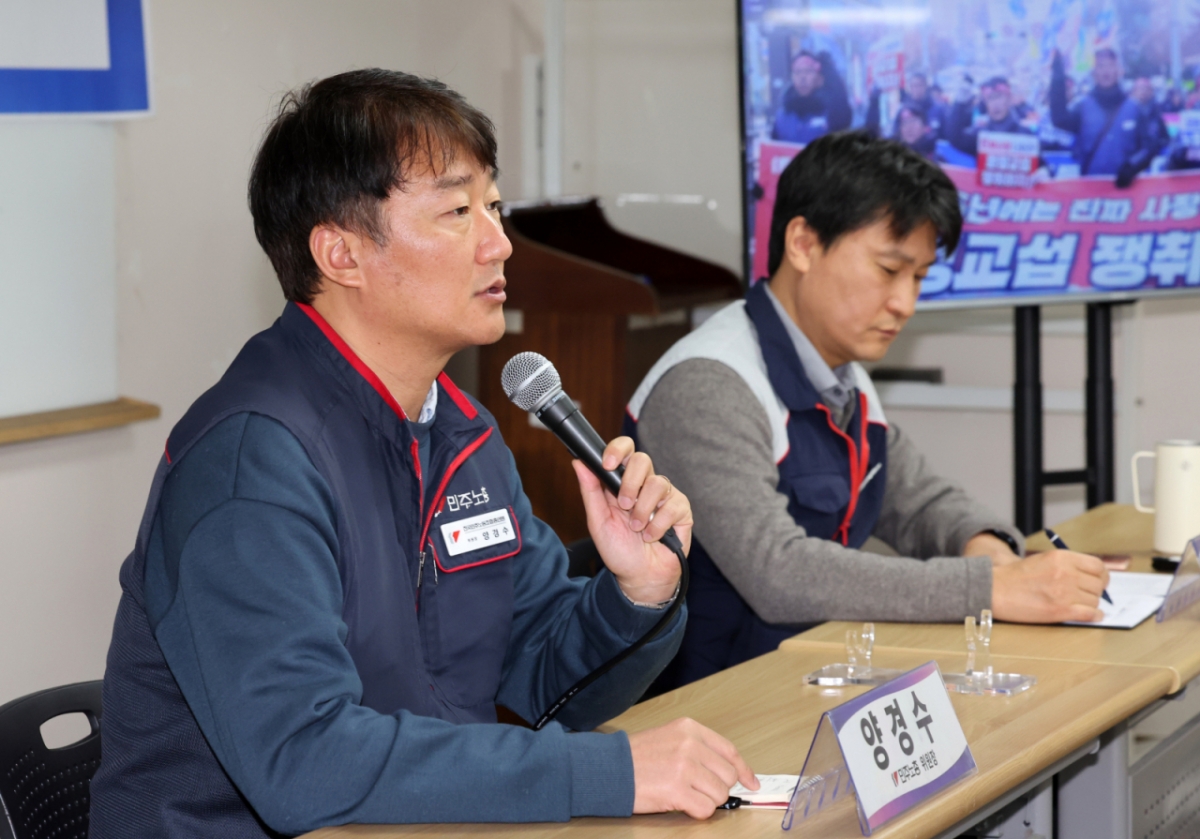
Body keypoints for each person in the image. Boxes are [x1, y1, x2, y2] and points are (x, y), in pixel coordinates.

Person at [88, 69, 758, 837]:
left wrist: (637, 591)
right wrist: (611, 770)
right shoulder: (252, 465)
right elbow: (305, 762)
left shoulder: (461, 435)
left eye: (496, 208)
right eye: (457, 211)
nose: (500, 243)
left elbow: (545, 673)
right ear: (341, 253)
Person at [624, 131, 1110, 690]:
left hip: (808, 681)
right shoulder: (708, 383)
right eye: (888, 269)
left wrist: (987, 545)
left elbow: (917, 500)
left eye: (919, 278)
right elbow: (779, 572)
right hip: (712, 709)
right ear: (803, 243)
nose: (905, 303)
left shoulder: (836, 369)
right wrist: (991, 588)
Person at [1049, 48, 1166, 187]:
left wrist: (1132, 167)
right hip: (1091, 193)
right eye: (1101, 66)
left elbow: (1150, 147)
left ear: (1118, 70)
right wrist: (1057, 76)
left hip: (1128, 193)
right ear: (1094, 72)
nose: (1106, 71)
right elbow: (1059, 120)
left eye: (1111, 65)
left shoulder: (1134, 108)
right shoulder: (1083, 107)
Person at [772, 50, 852, 144]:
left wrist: (830, 72)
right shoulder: (782, 115)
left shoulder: (832, 110)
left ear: (819, 78)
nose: (802, 77)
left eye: (808, 71)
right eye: (797, 72)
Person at [946, 76, 1033, 156]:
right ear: (985, 104)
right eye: (990, 98)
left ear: (1009, 99)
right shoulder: (980, 135)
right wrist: (959, 104)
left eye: (999, 96)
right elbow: (955, 138)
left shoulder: (1025, 135)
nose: (995, 103)